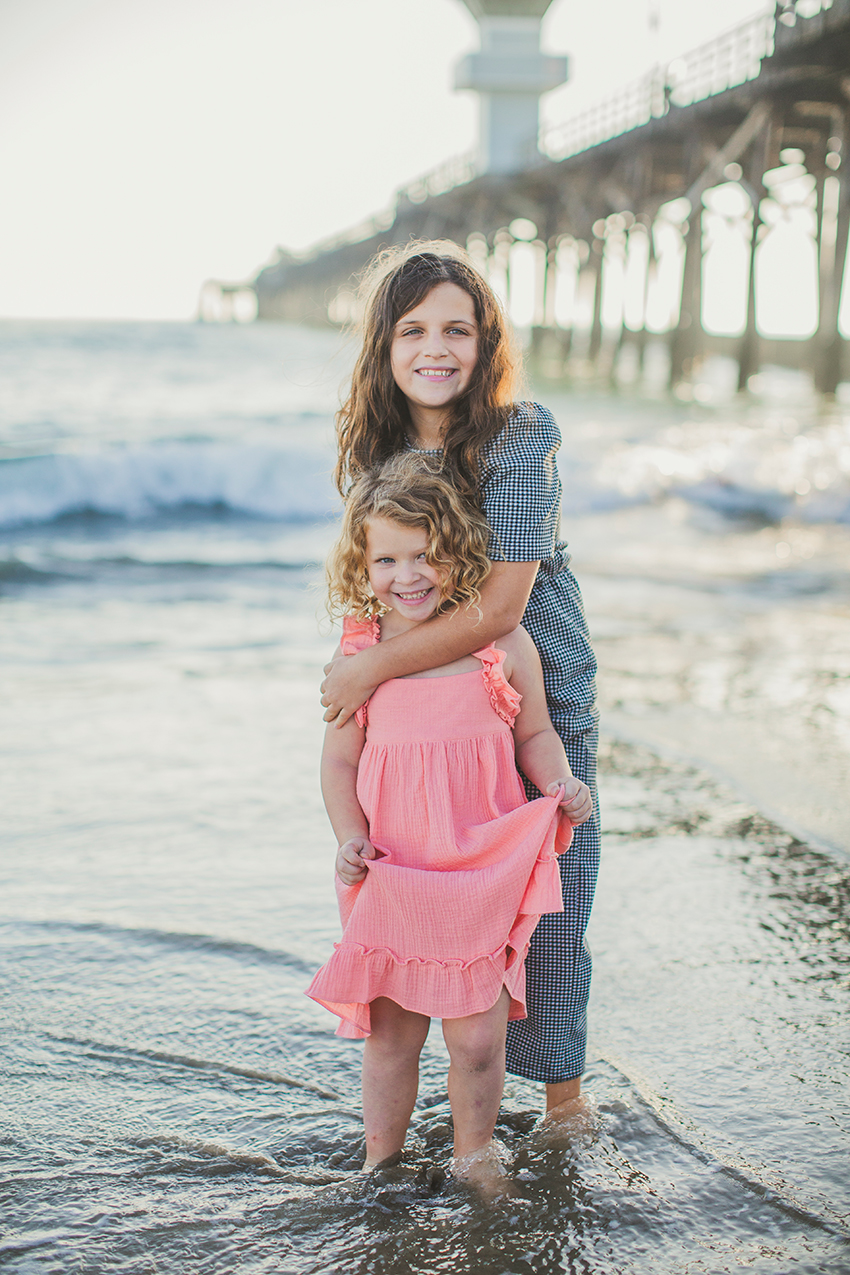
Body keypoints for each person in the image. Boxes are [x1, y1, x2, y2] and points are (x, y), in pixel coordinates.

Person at [319, 242, 600, 1123]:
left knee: (546, 917)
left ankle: (560, 1111)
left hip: (532, 693)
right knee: (425, 904)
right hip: (424, 719)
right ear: (384, 344)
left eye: (457, 329)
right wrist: (366, 674)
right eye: (413, 329)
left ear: (485, 343)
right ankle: (451, 1103)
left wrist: (365, 669)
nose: (435, 348)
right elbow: (379, 580)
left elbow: (502, 606)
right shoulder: (381, 448)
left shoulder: (518, 436)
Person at [307, 457, 592, 1191]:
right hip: (395, 866)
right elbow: (338, 763)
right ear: (361, 563)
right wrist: (348, 836)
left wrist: (560, 780)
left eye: (426, 553)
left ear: (459, 550)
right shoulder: (363, 657)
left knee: (475, 1037)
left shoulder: (501, 645)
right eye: (387, 558)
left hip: (479, 868)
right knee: (393, 1034)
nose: (409, 574)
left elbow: (534, 733)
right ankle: (380, 1159)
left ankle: (474, 1156)